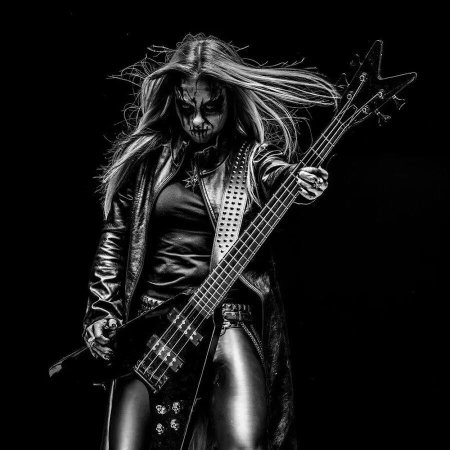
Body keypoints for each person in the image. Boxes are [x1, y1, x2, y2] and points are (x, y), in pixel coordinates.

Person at [83, 33, 338, 450]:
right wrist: (102, 311)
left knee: (245, 444)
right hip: (151, 324)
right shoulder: (147, 162)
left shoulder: (249, 159)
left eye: (211, 107)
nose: (198, 120)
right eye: (187, 109)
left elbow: (274, 173)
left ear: (229, 101)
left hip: (225, 319)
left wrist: (295, 178)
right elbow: (115, 240)